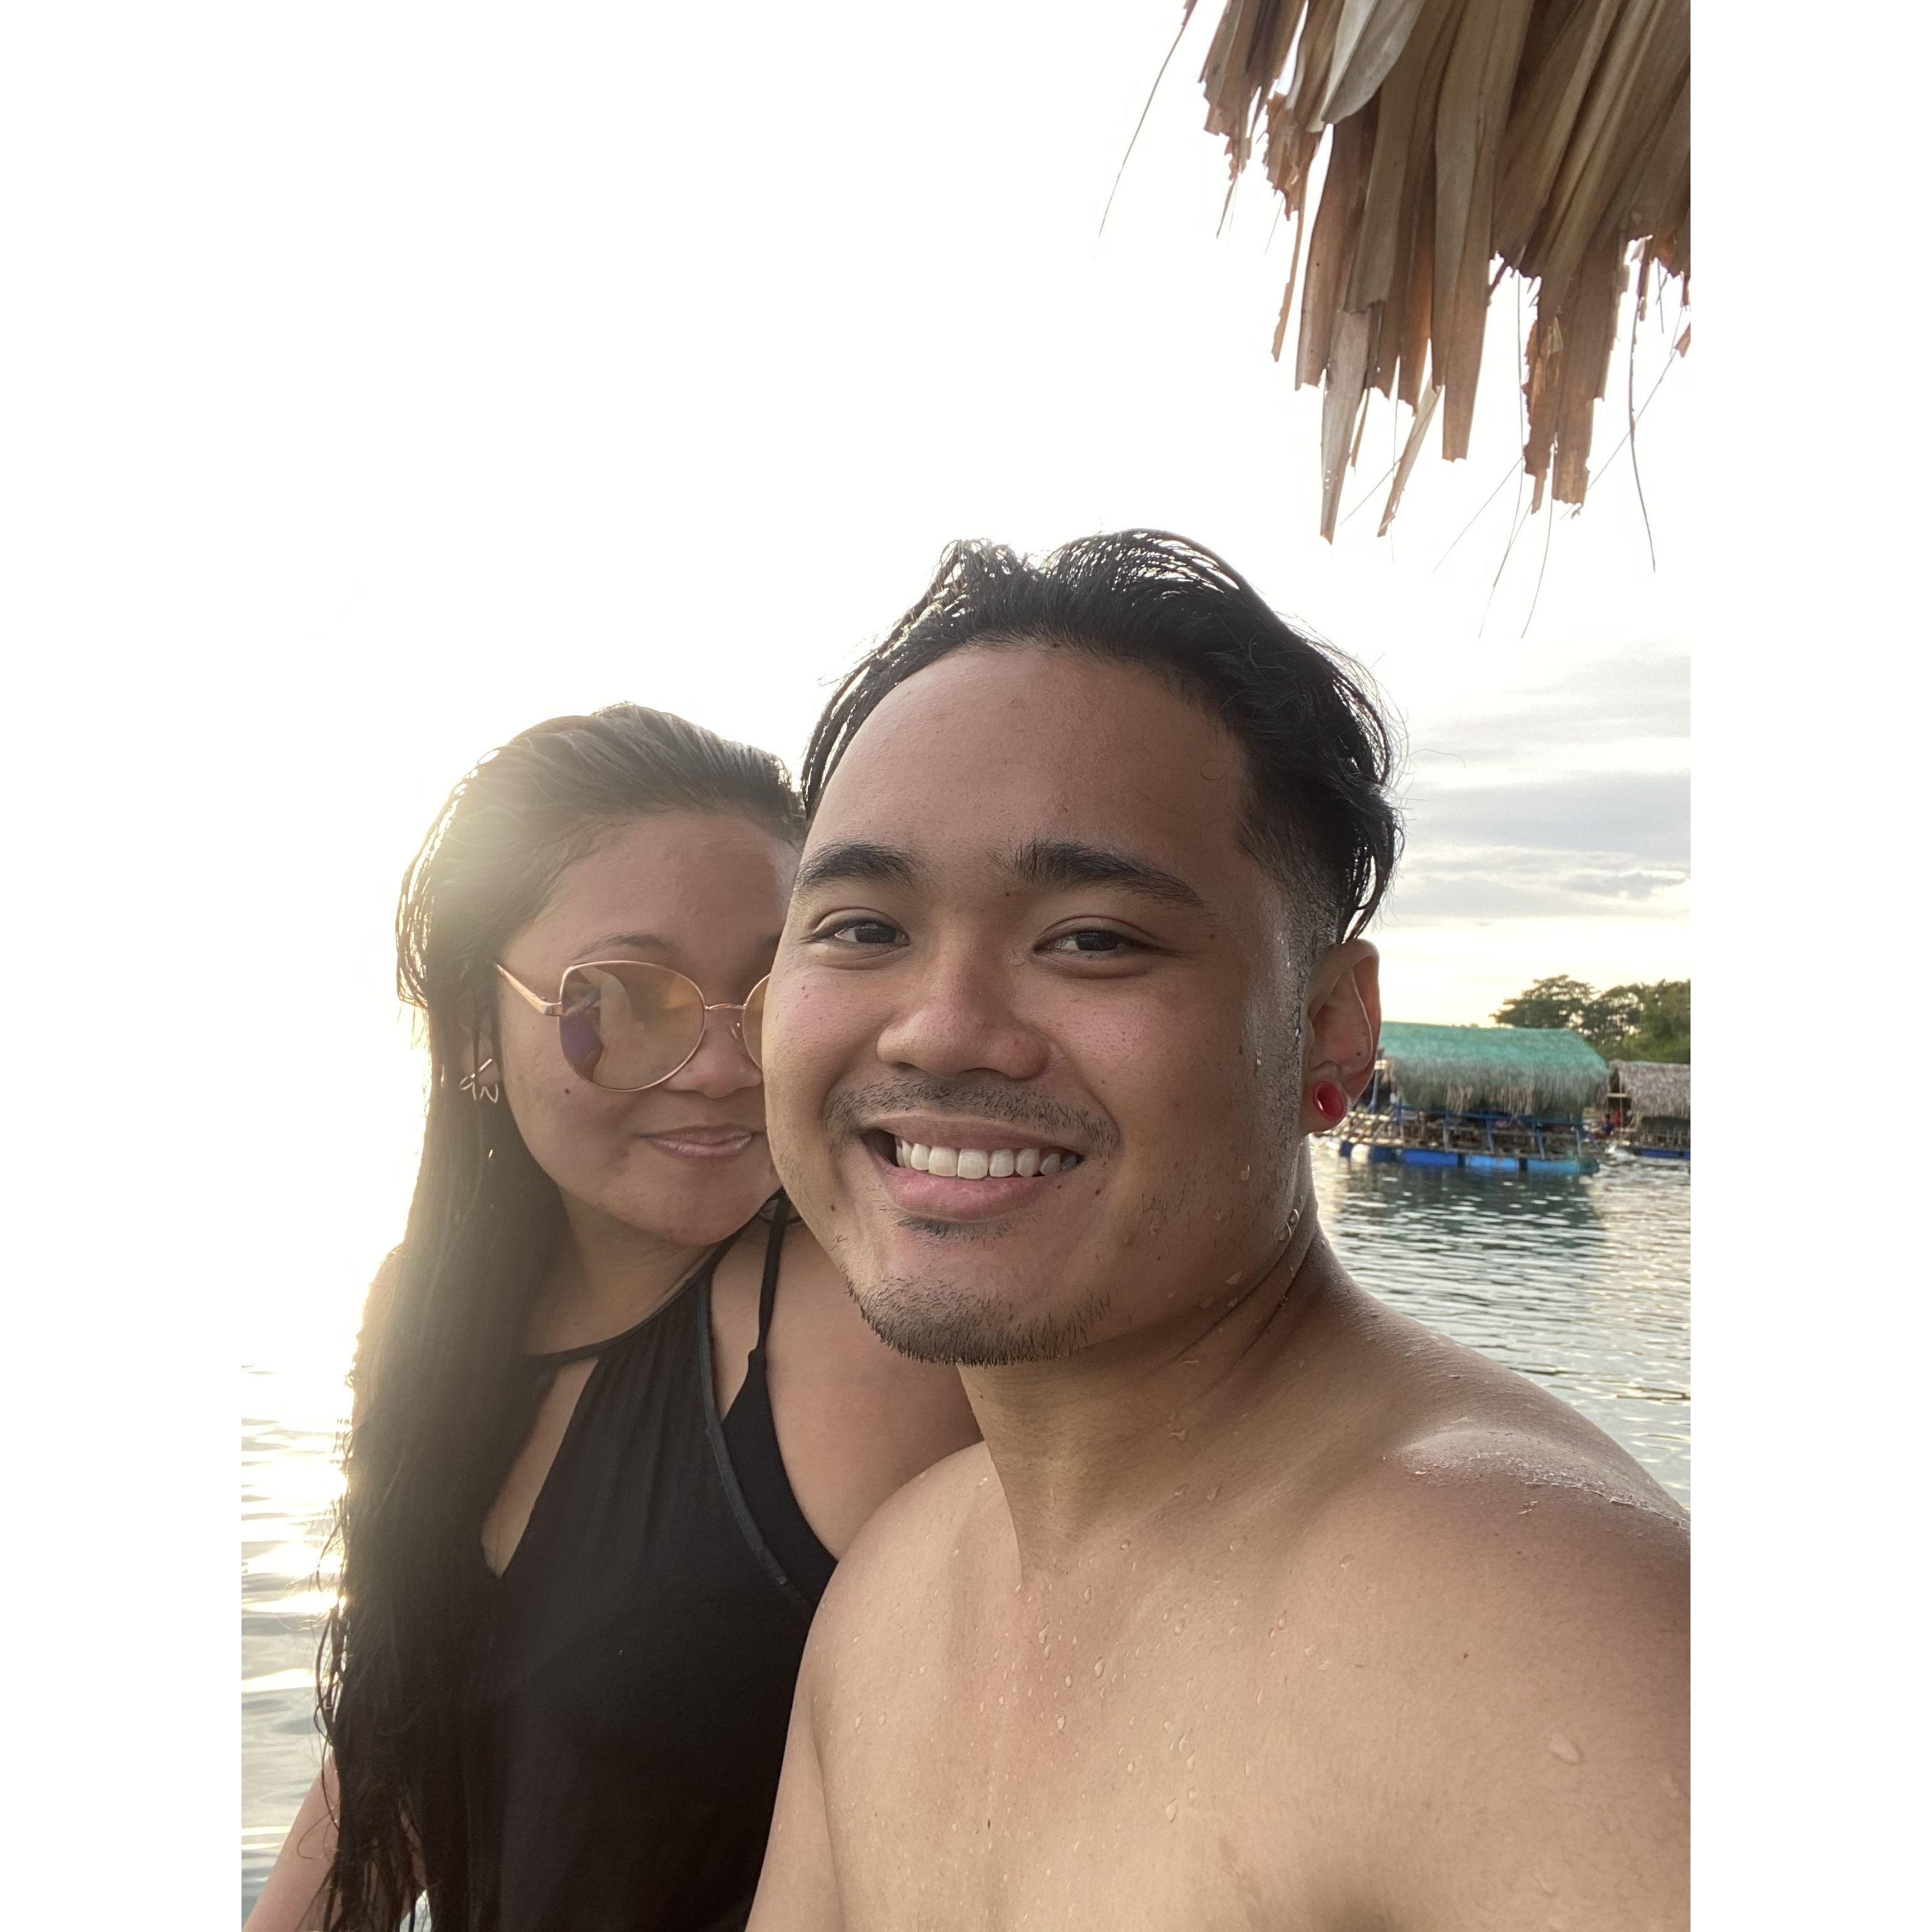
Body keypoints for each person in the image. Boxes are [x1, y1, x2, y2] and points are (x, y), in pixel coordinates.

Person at [749, 533, 1689, 1930]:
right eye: (860, 923)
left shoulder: (1528, 1626)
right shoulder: (892, 1588)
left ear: (1328, 1028)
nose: (939, 1023)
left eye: (1091, 938)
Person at [246, 705, 978, 1932]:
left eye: (772, 984)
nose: (719, 1063)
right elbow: (395, 1739)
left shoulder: (864, 1339)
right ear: (476, 1033)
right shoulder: (419, 1321)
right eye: (622, 996)